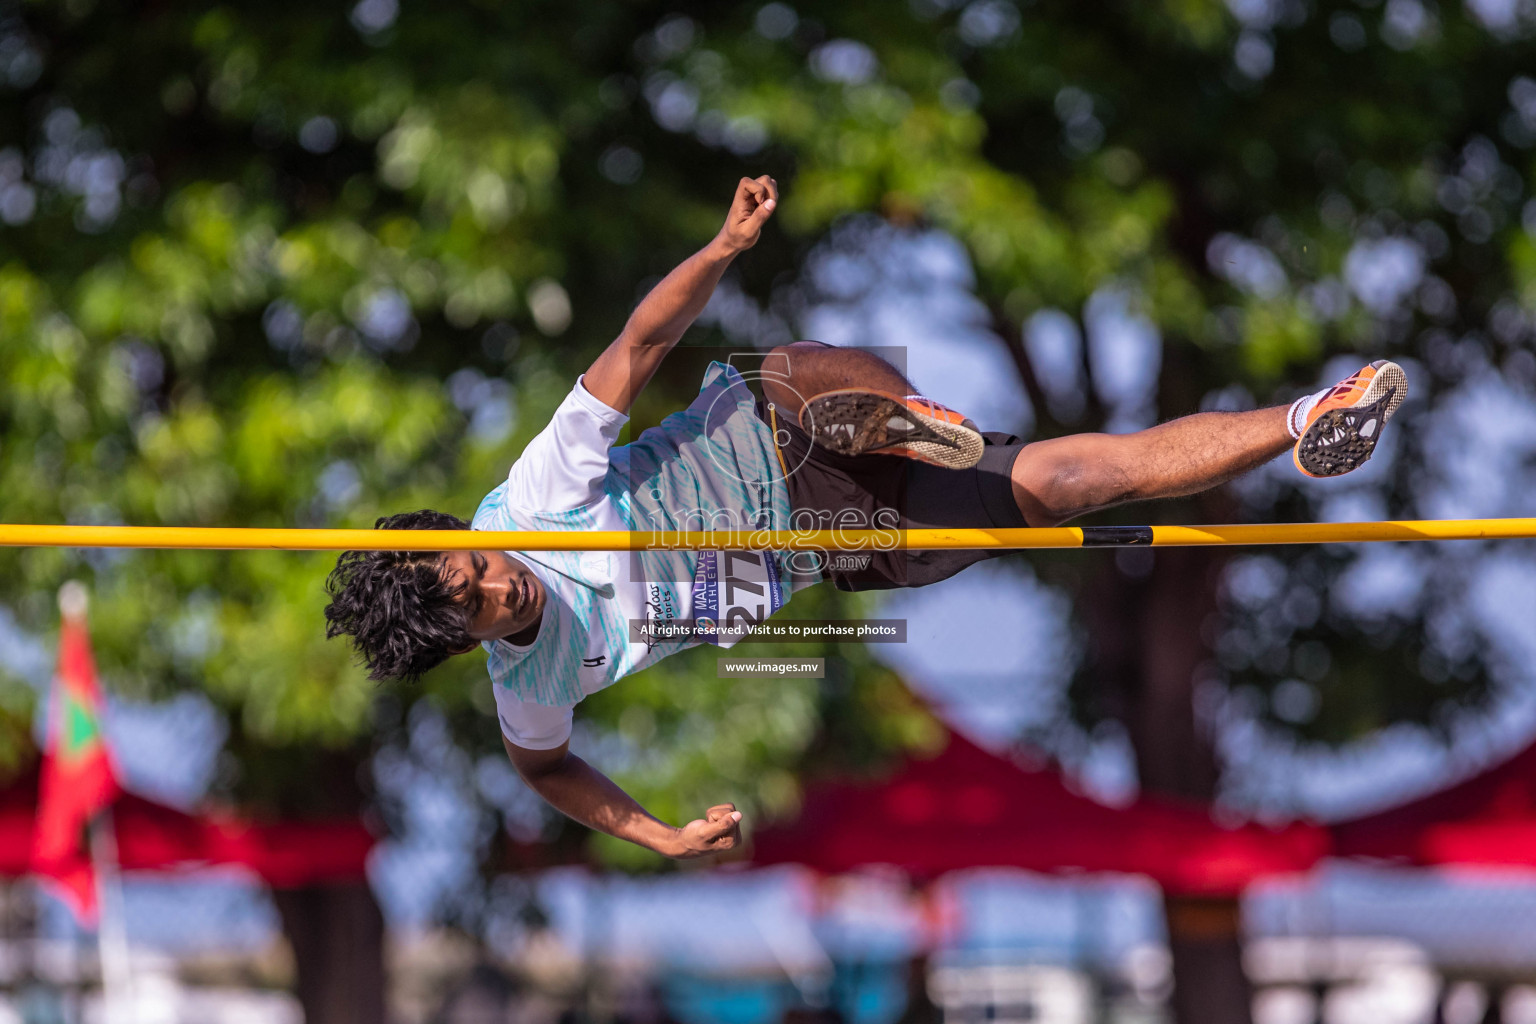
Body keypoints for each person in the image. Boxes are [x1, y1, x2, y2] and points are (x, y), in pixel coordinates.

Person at [323, 175, 1408, 859]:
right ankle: (1313, 419)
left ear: (457, 533)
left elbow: (637, 349)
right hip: (831, 547)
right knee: (1082, 485)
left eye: (473, 564)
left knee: (801, 388)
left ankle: (896, 419)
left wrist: (720, 251)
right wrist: (655, 832)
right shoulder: (532, 684)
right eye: (475, 606)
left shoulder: (534, 499)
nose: (495, 582)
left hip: (776, 425)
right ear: (463, 642)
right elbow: (544, 770)